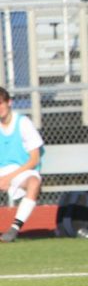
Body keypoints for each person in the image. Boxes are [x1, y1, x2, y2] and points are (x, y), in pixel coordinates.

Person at [0, 87, 43, 243]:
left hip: (22, 170)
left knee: (34, 182)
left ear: (9, 102)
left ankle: (14, 228)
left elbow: (34, 159)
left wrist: (8, 178)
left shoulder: (23, 123)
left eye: (0, 103)